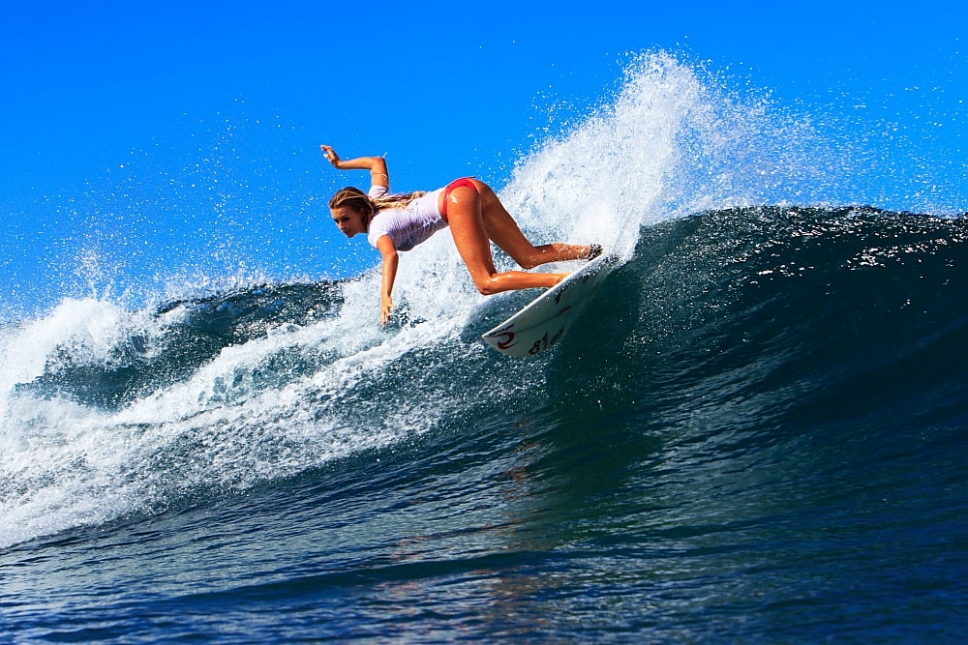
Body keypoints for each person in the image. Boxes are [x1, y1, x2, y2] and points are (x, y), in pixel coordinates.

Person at [322, 145, 600, 325]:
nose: (341, 226)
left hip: (457, 201)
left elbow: (390, 255)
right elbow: (377, 163)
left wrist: (385, 295)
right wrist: (341, 164)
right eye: (336, 222)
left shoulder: (376, 229)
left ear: (360, 212)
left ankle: (560, 281)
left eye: (345, 219)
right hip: (468, 187)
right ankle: (593, 251)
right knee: (528, 257)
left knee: (486, 283)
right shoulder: (376, 198)